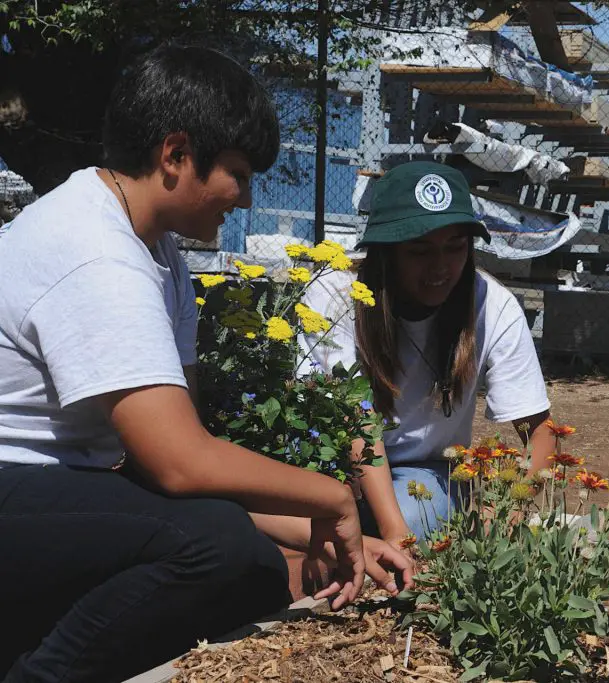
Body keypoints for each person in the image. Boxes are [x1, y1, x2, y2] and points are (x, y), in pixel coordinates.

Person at [0, 44, 410, 683]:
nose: (243, 199)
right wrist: (333, 499)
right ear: (174, 155)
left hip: (43, 492)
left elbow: (176, 461)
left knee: (245, 563)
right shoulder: (97, 257)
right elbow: (180, 464)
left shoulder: (157, 256)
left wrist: (316, 532)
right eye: (238, 174)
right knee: (218, 547)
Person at [299, 161, 555, 544]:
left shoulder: (492, 304)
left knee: (413, 515)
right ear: (386, 253)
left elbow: (540, 432)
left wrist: (505, 512)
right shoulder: (336, 296)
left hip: (424, 472)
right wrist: (393, 533)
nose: (441, 267)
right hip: (335, 467)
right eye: (420, 251)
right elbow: (357, 422)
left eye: (455, 247)